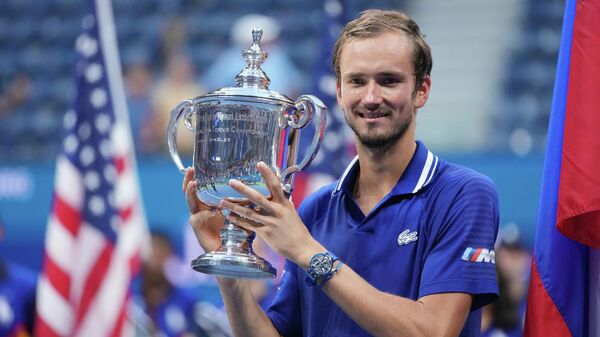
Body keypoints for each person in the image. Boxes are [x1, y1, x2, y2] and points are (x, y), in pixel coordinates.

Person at [183, 9, 499, 337]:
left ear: (422, 90)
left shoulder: (464, 194)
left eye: (388, 80)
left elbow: (433, 331)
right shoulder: (315, 210)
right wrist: (227, 267)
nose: (371, 97)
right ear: (339, 93)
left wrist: (308, 251)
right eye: (357, 81)